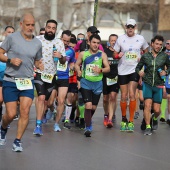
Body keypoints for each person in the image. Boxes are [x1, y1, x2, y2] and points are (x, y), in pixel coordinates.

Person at [0, 13, 43, 152]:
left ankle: (17, 141)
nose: (30, 27)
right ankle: (3, 128)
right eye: (28, 24)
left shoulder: (37, 43)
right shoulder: (12, 38)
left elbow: (36, 60)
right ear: (21, 24)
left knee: (25, 112)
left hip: (27, 81)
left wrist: (39, 64)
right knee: (11, 114)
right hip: (11, 80)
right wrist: (9, 60)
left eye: (32, 25)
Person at [114, 19, 149, 132]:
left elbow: (147, 51)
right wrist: (118, 55)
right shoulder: (121, 38)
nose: (130, 28)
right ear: (125, 27)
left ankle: (131, 121)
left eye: (132, 27)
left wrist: (142, 58)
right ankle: (123, 119)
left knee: (132, 94)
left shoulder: (140, 38)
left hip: (135, 69)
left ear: (135, 27)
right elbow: (115, 53)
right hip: (122, 70)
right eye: (128, 26)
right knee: (124, 96)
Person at [33, 19, 66, 136]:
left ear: (56, 30)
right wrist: (35, 64)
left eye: (53, 28)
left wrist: (60, 56)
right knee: (41, 98)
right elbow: (31, 54)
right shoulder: (37, 40)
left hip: (52, 76)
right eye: (49, 27)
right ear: (45, 28)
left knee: (49, 102)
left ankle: (55, 122)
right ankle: (38, 125)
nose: (50, 30)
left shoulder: (59, 43)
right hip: (39, 73)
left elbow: (63, 61)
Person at [75, 34, 110, 137]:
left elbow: (108, 68)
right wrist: (78, 70)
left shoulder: (102, 54)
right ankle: (88, 126)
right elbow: (77, 64)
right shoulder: (83, 54)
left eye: (98, 43)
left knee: (93, 107)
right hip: (86, 82)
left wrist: (100, 70)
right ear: (89, 42)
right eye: (94, 42)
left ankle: (87, 120)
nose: (96, 45)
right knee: (88, 105)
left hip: (98, 84)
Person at [136, 35, 170, 135]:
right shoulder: (145, 56)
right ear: (152, 44)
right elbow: (138, 67)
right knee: (147, 105)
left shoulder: (164, 56)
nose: (158, 46)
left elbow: (169, 67)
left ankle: (154, 118)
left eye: (160, 44)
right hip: (147, 84)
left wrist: (166, 72)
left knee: (156, 110)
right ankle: (147, 126)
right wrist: (139, 72)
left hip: (158, 85)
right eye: (156, 44)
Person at [53, 30, 75, 131]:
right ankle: (50, 109)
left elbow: (72, 62)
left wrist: (72, 66)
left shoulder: (71, 51)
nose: (65, 43)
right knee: (49, 102)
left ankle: (56, 124)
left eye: (67, 41)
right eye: (63, 40)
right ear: (60, 38)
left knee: (61, 100)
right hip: (53, 76)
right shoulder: (54, 47)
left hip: (64, 77)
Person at [103, 34, 119, 128]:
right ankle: (106, 114)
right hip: (105, 76)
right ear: (109, 41)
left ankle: (110, 118)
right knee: (105, 98)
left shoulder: (119, 51)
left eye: (115, 40)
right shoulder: (105, 51)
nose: (113, 42)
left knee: (113, 97)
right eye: (112, 40)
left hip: (115, 77)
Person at [0, 26, 15, 122]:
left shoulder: (17, 47)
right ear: (5, 34)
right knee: (0, 100)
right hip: (1, 77)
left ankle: (7, 118)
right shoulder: (1, 46)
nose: (11, 34)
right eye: (9, 32)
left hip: (12, 77)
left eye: (13, 32)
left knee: (10, 102)